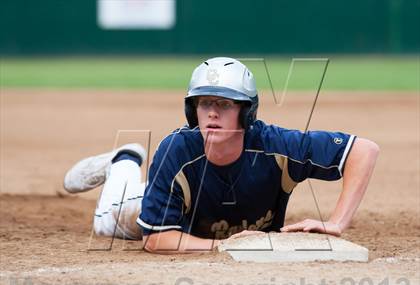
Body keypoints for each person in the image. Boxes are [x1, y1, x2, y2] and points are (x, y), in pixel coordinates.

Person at [64, 57, 379, 254]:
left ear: (247, 112)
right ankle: (123, 162)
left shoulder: (276, 146)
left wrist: (337, 222)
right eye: (204, 103)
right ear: (192, 110)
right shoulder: (176, 150)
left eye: (225, 104)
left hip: (202, 225)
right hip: (164, 211)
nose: (212, 112)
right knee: (108, 223)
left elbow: (363, 150)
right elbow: (156, 240)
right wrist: (226, 246)